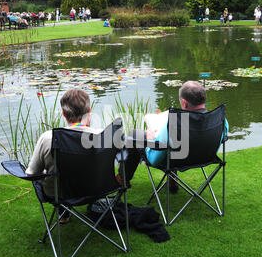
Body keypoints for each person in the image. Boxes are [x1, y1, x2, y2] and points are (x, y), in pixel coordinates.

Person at [118, 81, 229, 193]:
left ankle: (123, 179)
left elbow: (159, 143)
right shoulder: (220, 120)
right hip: (206, 157)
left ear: (185, 103)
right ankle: (173, 178)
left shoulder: (175, 124)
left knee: (134, 135)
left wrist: (148, 136)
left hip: (172, 161)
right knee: (174, 143)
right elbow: (223, 138)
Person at [26, 89, 102, 222]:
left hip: (57, 194)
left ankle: (63, 214)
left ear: (63, 113)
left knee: (50, 174)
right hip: (95, 190)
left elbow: (31, 173)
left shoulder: (48, 138)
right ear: (89, 110)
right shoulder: (102, 136)